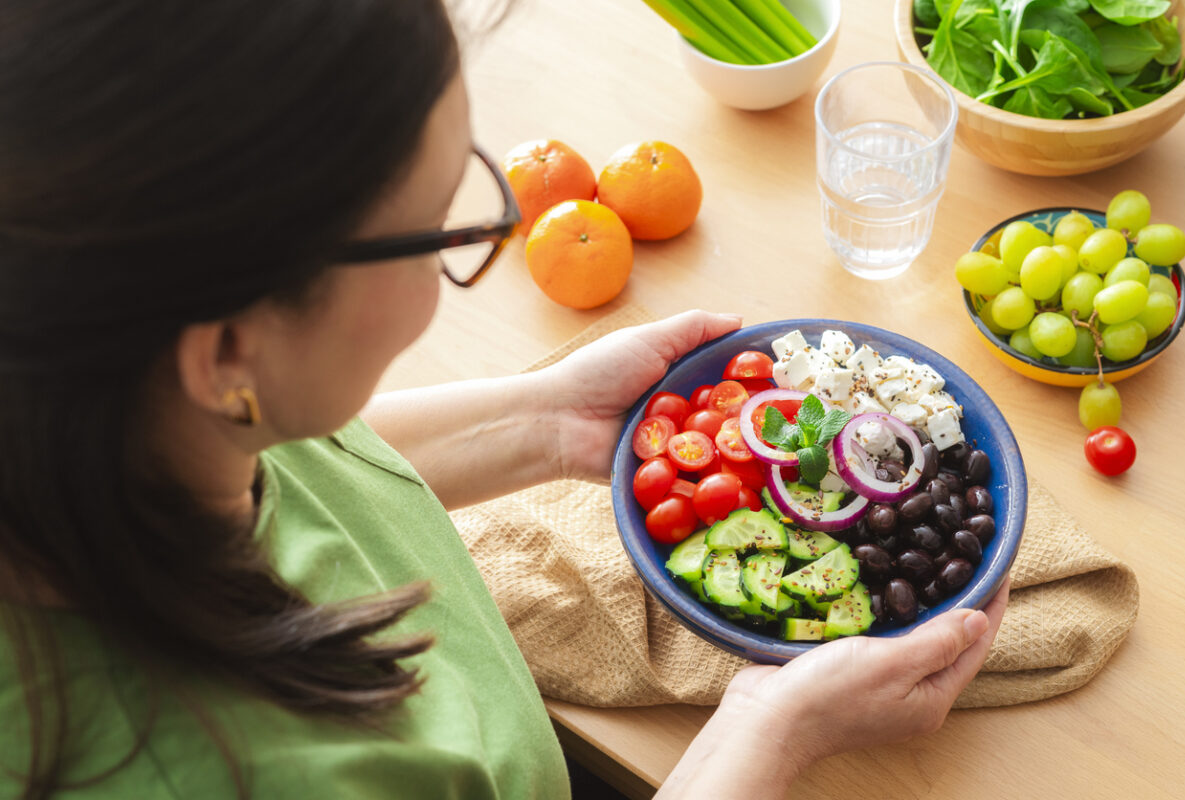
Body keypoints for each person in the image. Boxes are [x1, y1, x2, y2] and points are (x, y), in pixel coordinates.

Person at [0, 1, 1008, 797]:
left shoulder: (109, 394)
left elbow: (301, 459)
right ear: (227, 353)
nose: (475, 241)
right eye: (439, 226)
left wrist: (542, 418)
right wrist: (771, 730)